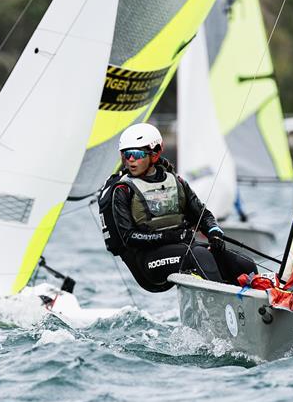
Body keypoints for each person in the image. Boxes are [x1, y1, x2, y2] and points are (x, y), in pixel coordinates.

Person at [106, 123, 256, 293]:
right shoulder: (123, 190)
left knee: (244, 264)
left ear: (154, 154)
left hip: (181, 249)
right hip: (147, 262)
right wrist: (170, 236)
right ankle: (223, 303)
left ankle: (254, 302)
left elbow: (202, 215)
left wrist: (214, 230)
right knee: (198, 255)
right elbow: (129, 237)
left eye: (136, 154)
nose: (130, 160)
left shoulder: (176, 182)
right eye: (126, 155)